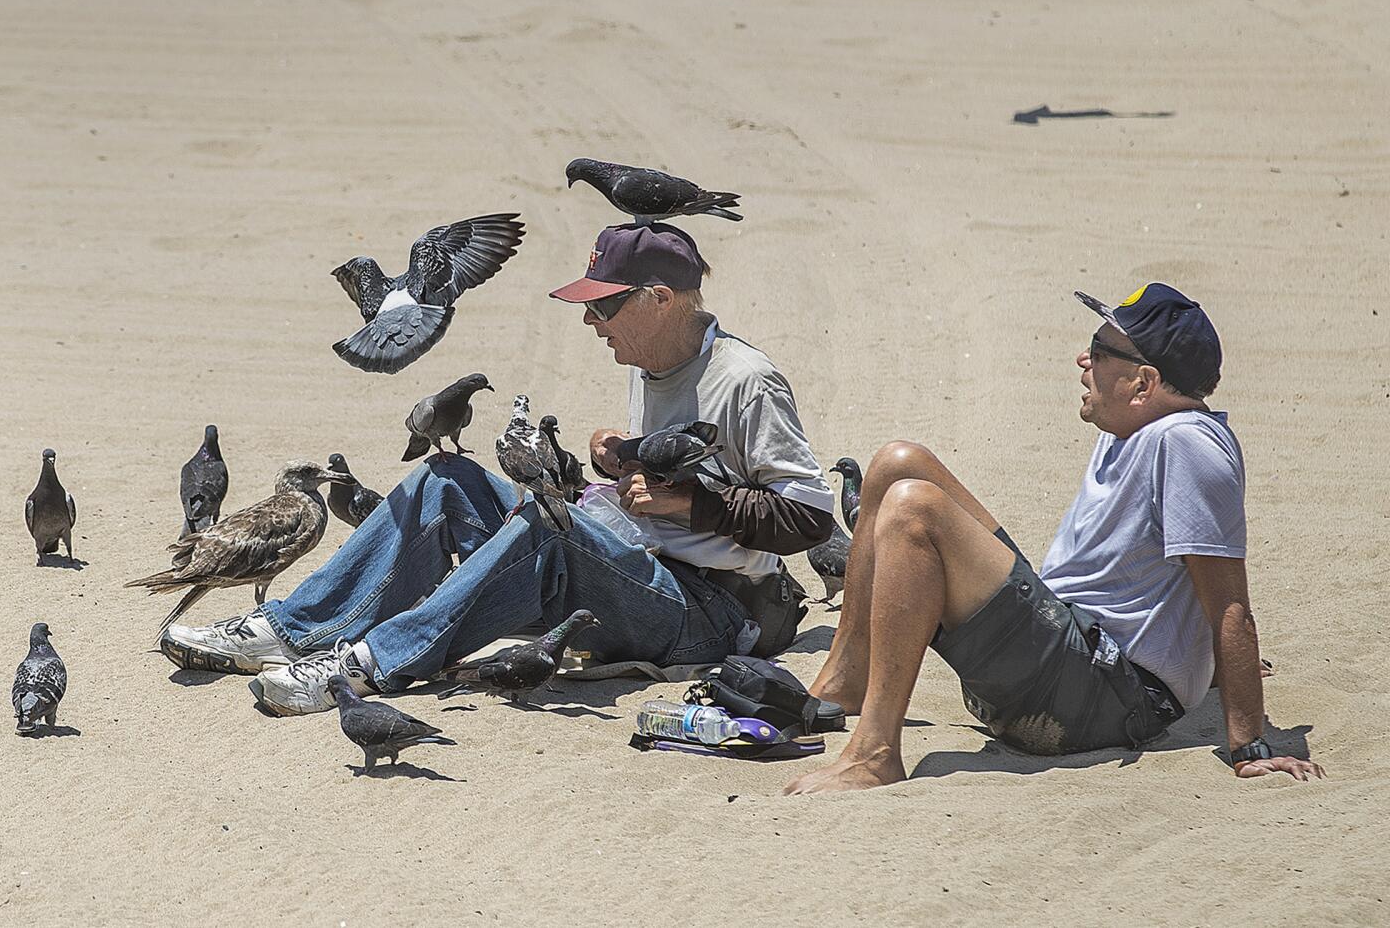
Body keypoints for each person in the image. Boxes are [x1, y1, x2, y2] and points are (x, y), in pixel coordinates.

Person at [159, 222, 837, 716]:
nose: (591, 323)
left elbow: (809, 518)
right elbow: (668, 484)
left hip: (709, 611)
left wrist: (684, 504)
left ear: (659, 300)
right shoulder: (654, 365)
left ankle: (361, 666)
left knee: (548, 523)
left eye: (603, 306)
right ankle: (287, 631)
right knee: (445, 479)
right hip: (635, 569)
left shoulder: (747, 380)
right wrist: (620, 460)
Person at [785, 283, 1325, 794]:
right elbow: (1154, 581)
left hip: (1100, 696)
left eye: (1101, 349)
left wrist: (1249, 742)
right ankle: (845, 681)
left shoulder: (1187, 445)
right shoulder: (1134, 428)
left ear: (1144, 383)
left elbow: (1229, 601)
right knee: (897, 464)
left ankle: (873, 754)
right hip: (1067, 648)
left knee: (914, 510)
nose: (1083, 360)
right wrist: (1205, 665)